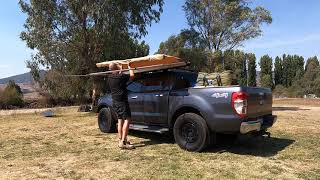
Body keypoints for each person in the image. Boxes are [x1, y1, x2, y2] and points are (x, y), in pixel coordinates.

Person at [108, 62, 135, 149]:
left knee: (120, 120)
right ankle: (123, 142)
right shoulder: (121, 76)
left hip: (115, 102)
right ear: (117, 68)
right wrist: (130, 67)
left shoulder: (110, 77)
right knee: (127, 119)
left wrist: (120, 69)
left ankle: (121, 140)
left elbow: (118, 75)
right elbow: (132, 76)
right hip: (122, 102)